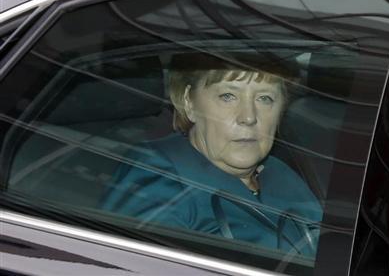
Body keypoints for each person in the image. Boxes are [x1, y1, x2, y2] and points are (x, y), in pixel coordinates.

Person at [101, 53, 323, 258]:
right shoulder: (157, 172)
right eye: (228, 96)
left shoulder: (281, 173)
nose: (248, 117)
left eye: (265, 99)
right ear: (188, 103)